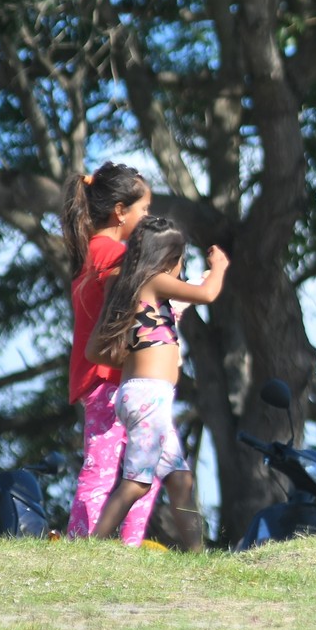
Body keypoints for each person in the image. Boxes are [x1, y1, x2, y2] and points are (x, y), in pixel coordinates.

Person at [87, 216, 229, 549]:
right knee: (137, 482)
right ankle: (92, 547)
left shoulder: (125, 284)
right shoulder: (153, 281)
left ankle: (197, 554)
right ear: (167, 259)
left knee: (180, 479)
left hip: (144, 394)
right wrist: (218, 266)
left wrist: (139, 359)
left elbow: (95, 351)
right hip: (149, 396)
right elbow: (207, 295)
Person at [61, 162, 161, 544]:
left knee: (123, 467)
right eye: (144, 210)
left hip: (104, 379)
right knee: (126, 469)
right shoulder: (114, 255)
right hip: (111, 379)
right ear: (121, 211)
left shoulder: (91, 251)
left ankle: (90, 540)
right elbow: (137, 300)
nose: (147, 217)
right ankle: (93, 541)